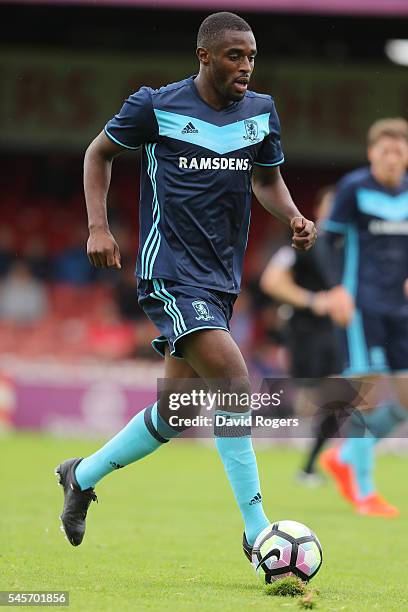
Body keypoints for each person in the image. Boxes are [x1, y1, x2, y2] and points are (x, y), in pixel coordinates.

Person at [55, 12, 316, 562]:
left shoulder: (260, 112)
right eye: (234, 56)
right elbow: (97, 153)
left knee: (176, 412)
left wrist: (293, 216)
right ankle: (257, 529)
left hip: (222, 277)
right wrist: (98, 227)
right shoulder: (157, 104)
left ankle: (81, 475)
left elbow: (266, 179)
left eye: (251, 57)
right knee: (232, 375)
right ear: (204, 56)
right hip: (168, 268)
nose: (245, 66)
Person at [319, 118, 408, 517]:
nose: (393, 156)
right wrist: (337, 288)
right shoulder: (354, 188)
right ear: (372, 153)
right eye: (386, 150)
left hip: (400, 308)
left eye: (400, 149)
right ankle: (365, 493)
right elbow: (328, 239)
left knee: (405, 401)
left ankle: (346, 456)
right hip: (362, 304)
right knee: (367, 396)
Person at [260, 187, 341, 485]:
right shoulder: (303, 244)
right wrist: (312, 301)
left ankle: (308, 467)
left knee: (341, 396)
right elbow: (272, 280)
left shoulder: (348, 247)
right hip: (306, 333)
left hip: (336, 334)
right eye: (331, 205)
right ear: (318, 210)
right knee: (303, 400)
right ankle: (235, 421)